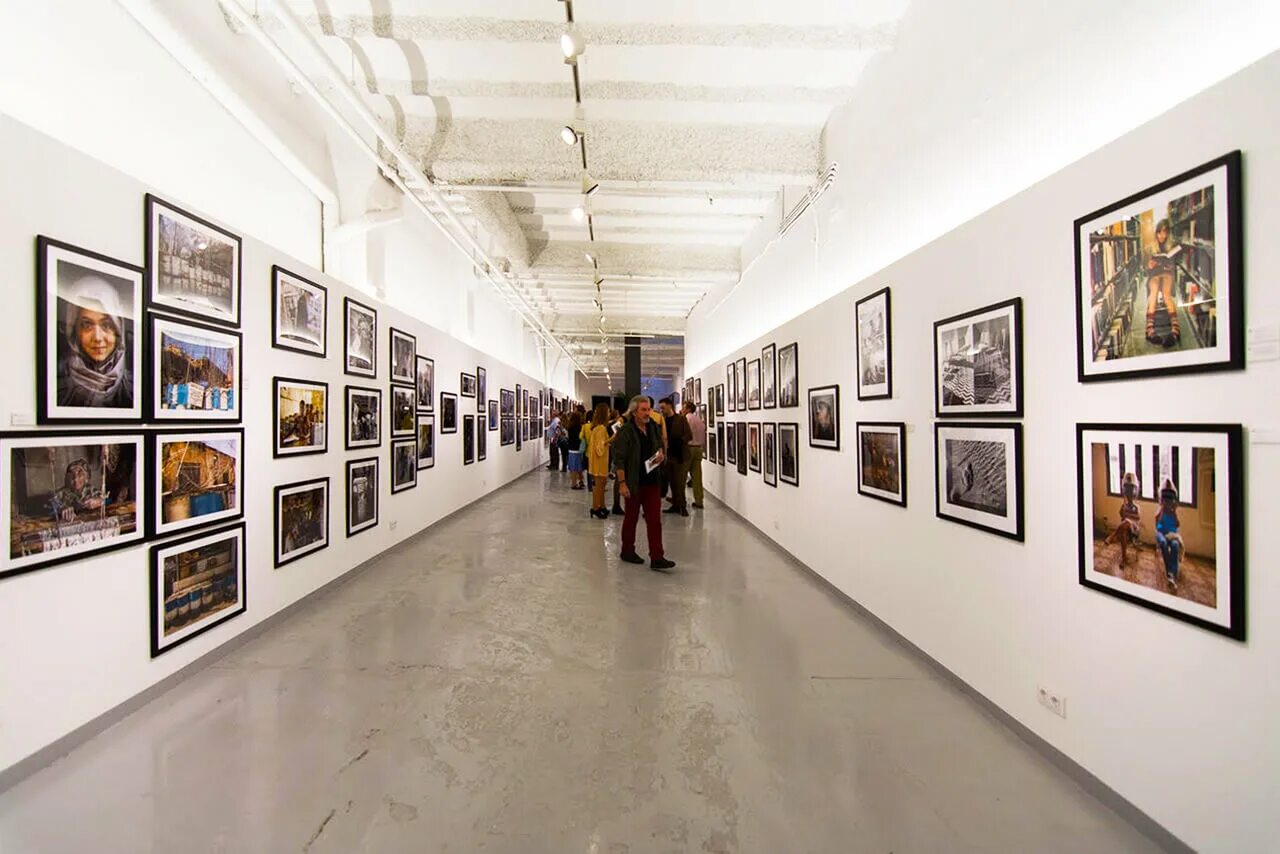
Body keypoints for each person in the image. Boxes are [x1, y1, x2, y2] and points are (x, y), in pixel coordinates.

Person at [612, 396, 675, 571]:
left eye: (649, 409)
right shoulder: (625, 431)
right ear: (634, 412)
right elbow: (619, 460)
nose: (648, 413)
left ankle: (657, 556)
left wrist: (660, 457)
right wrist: (622, 483)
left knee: (655, 520)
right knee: (631, 518)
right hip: (633, 482)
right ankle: (627, 551)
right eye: (644, 410)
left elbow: (658, 447)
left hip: (652, 482)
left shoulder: (653, 427)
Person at [57, 275, 132, 409]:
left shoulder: (134, 389)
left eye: (106, 325)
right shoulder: (55, 385)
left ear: (118, 329)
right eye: (87, 325)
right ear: (73, 330)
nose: (97, 337)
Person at [1145, 218, 1181, 348]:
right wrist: (1149, 265)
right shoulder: (1150, 248)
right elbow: (1146, 269)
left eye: (1165, 232)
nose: (1162, 235)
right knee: (1153, 292)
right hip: (1154, 275)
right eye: (1159, 232)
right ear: (1156, 233)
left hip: (1166, 274)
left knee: (1166, 294)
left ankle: (1175, 329)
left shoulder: (1172, 246)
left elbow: (1174, 265)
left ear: (1168, 233)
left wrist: (1169, 266)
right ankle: (1149, 330)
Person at [659, 398, 692, 517]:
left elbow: (689, 435)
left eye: (663, 407)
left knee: (680, 482)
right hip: (669, 456)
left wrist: (679, 441)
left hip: (681, 455)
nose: (661, 410)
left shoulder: (681, 419)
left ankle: (682, 505)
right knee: (672, 482)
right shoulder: (662, 421)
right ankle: (675, 505)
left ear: (669, 406)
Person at [1105, 471, 1141, 567]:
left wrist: (1128, 518)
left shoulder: (1136, 507)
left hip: (1134, 529)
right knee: (1124, 530)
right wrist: (1123, 509)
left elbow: (1137, 519)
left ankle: (1112, 536)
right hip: (1125, 528)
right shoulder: (1124, 505)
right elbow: (1121, 516)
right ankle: (1124, 558)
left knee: (1126, 522)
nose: (1129, 497)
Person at [1155, 479, 1183, 590]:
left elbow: (1177, 525)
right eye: (1165, 500)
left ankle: (1171, 573)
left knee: (1175, 545)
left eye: (1169, 500)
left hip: (1172, 534)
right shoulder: (1160, 510)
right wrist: (1163, 508)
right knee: (1163, 543)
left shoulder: (1173, 512)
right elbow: (1157, 523)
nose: (1167, 502)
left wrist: (1174, 511)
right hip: (1161, 533)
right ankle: (1170, 572)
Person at [587, 403, 613, 518]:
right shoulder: (601, 428)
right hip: (600, 461)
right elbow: (600, 447)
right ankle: (595, 507)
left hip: (598, 461)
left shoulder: (597, 427)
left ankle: (601, 506)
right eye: (607, 412)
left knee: (601, 486)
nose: (609, 414)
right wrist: (612, 439)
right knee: (599, 486)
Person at [682, 401, 705, 509]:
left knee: (682, 475)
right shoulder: (699, 420)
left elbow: (684, 435)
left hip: (688, 448)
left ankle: (680, 500)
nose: (682, 409)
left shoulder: (686, 419)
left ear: (688, 409)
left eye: (684, 407)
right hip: (698, 449)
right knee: (697, 477)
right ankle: (699, 501)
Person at [565, 409, 584, 488]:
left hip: (571, 449)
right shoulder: (580, 427)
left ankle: (580, 481)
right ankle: (574, 483)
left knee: (574, 467)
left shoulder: (570, 427)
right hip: (578, 449)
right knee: (577, 467)